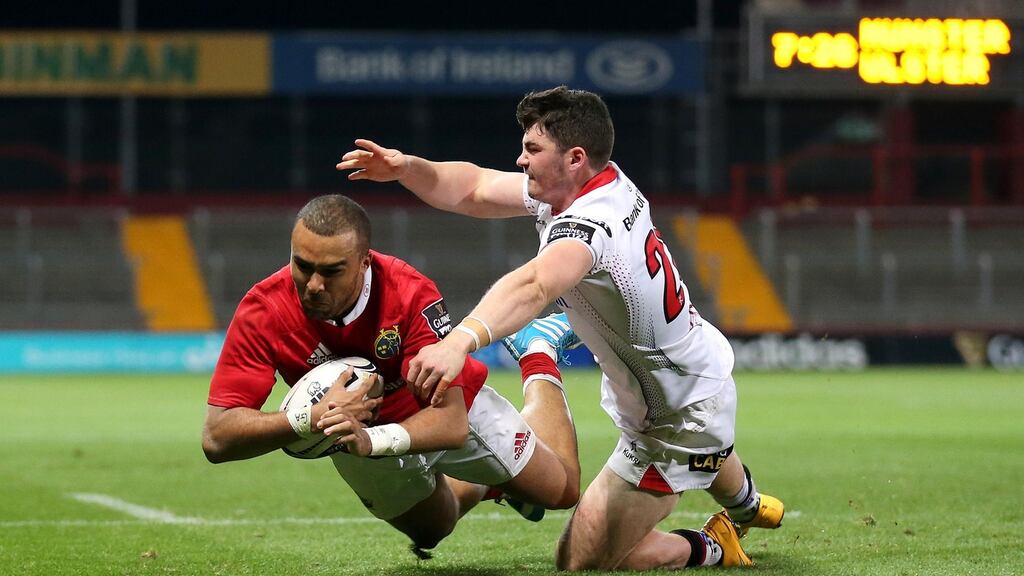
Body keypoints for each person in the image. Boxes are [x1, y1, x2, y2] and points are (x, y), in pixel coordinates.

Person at [337, 86, 785, 570]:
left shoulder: (593, 222)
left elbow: (534, 284)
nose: (520, 160)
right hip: (684, 381)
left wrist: (459, 341)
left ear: (574, 157)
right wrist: (407, 168)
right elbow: (473, 187)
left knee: (578, 562)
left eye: (532, 150)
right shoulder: (589, 184)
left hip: (678, 419)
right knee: (707, 443)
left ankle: (713, 546)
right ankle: (747, 504)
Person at [201, 194, 580, 556]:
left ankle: (537, 350)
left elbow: (451, 424)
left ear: (364, 262)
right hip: (352, 440)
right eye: (302, 266)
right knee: (435, 530)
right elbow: (218, 437)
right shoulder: (264, 309)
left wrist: (372, 439)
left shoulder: (409, 292)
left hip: (430, 414)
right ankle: (485, 487)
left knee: (561, 491)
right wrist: (308, 419)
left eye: (331, 272)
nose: (313, 285)